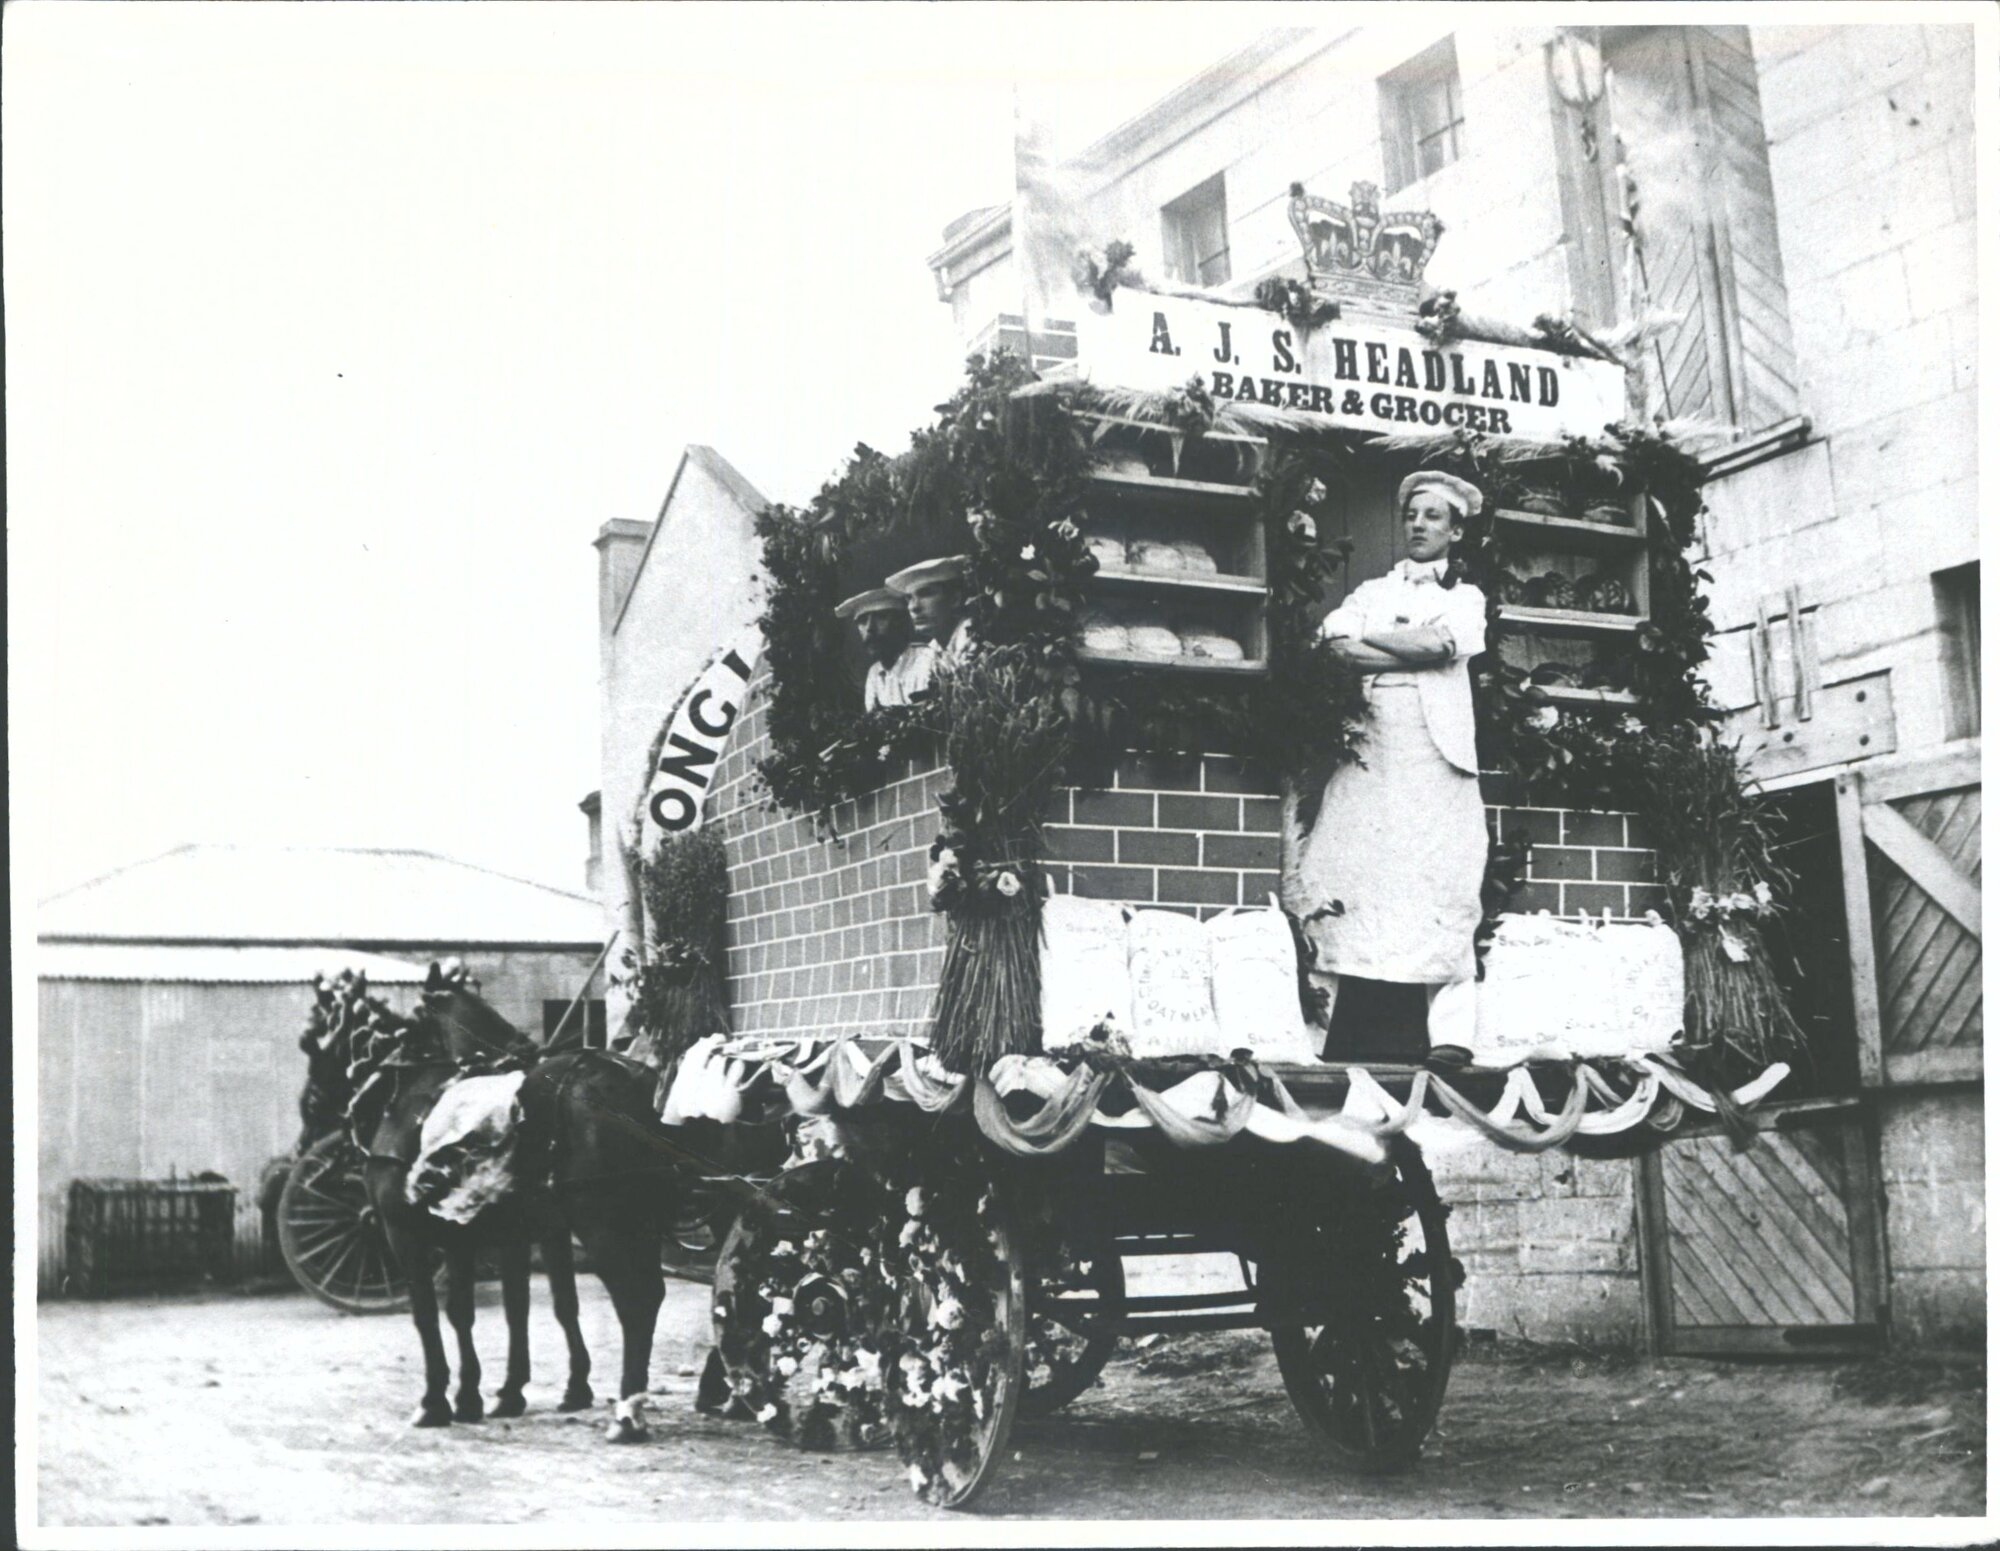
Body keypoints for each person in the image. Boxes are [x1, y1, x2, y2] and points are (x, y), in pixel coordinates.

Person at [1291, 470, 1490, 1052]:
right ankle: (1319, 1029)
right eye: (1412, 515)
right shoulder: (1372, 592)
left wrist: (1378, 646)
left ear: (1455, 531)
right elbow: (1333, 646)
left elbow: (1444, 644)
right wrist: (1410, 644)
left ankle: (1450, 1036)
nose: (1419, 526)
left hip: (1437, 755)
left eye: (1433, 517)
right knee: (1344, 867)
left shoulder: (1465, 598)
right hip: (1371, 748)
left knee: (1443, 878)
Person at [885, 554, 975, 699]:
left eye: (925, 594)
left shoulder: (973, 636)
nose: (913, 607)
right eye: (909, 598)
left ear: (955, 599)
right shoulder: (933, 650)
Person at [835, 587, 921, 711]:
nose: (870, 628)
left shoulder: (926, 663)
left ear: (901, 621)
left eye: (881, 617)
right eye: (863, 621)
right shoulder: (875, 672)